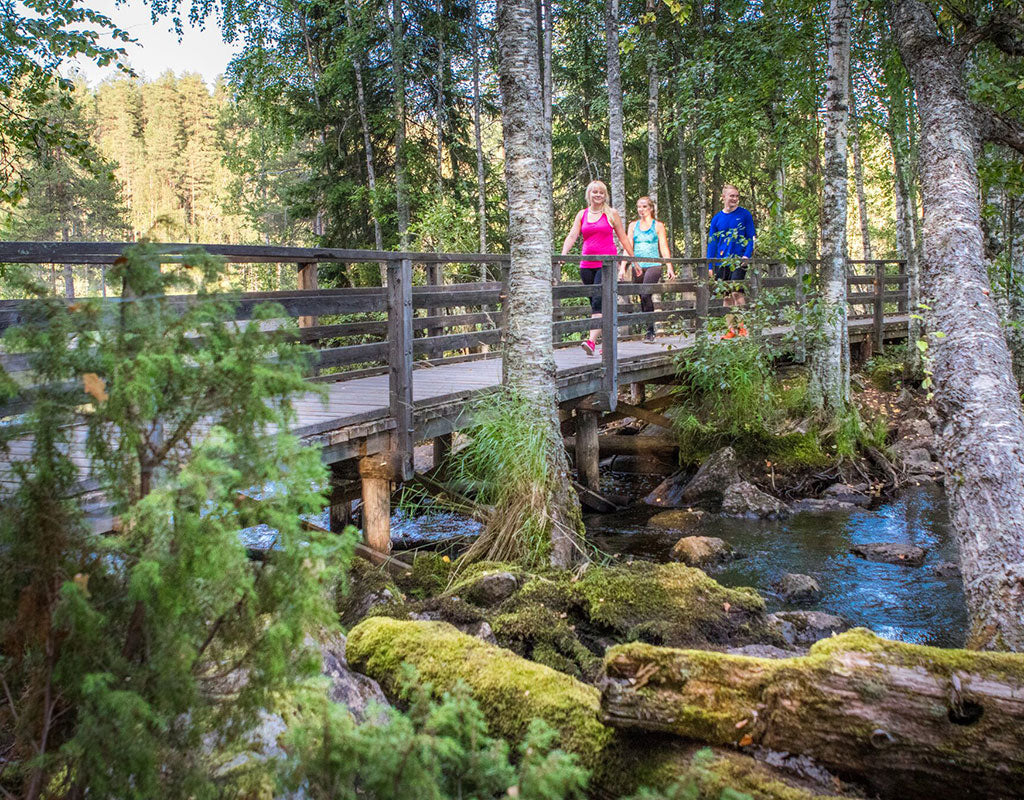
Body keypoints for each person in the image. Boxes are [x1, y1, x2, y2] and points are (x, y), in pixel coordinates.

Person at [561, 180, 634, 355]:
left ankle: (591, 342)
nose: (598, 195)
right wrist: (563, 255)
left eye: (601, 192)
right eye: (595, 192)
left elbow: (623, 238)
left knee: (598, 303)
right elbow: (572, 235)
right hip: (586, 264)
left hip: (606, 265)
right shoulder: (582, 214)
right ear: (589, 194)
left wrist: (634, 260)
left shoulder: (611, 214)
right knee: (597, 305)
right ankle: (608, 342)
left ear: (605, 195)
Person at [707, 184, 756, 338]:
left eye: (737, 196)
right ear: (724, 197)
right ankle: (731, 330)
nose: (735, 199)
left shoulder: (744, 215)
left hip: (739, 260)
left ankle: (742, 327)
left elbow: (751, 238)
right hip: (722, 262)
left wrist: (746, 256)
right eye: (732, 196)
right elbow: (712, 243)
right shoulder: (717, 219)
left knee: (737, 292)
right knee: (726, 296)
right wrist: (710, 265)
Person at [626, 196, 674, 342]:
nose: (642, 209)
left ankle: (650, 330)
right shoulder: (633, 226)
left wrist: (669, 266)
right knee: (642, 296)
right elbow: (628, 246)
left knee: (646, 292)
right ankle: (649, 329)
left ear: (651, 208)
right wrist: (623, 267)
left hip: (654, 264)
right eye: (639, 207)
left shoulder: (658, 225)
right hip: (638, 265)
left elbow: (664, 246)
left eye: (645, 206)